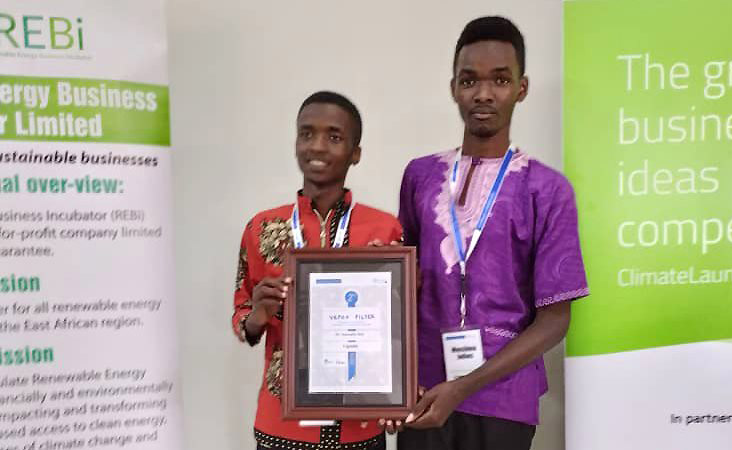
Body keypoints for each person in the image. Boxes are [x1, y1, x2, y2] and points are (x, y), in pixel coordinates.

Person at [394, 16, 589, 450]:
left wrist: (464, 387)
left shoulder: (548, 189)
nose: (483, 93)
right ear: (453, 88)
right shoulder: (420, 176)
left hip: (505, 399)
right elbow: (402, 281)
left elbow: (556, 319)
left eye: (500, 79)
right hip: (422, 389)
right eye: (469, 80)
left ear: (521, 87)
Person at [232, 91, 401, 450]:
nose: (317, 147)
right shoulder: (261, 228)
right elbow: (243, 314)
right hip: (282, 425)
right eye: (306, 133)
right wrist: (257, 317)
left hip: (360, 425)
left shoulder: (385, 231)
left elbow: (399, 328)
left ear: (356, 153)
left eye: (334, 137)